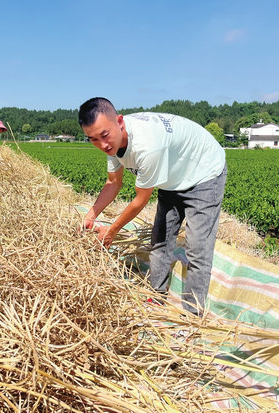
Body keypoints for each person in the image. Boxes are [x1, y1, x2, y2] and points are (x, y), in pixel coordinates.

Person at [78, 97, 227, 315]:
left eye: (104, 135)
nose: (102, 145)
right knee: (160, 241)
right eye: (93, 139)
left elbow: (141, 200)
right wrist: (90, 215)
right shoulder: (113, 142)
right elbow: (113, 183)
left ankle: (192, 315)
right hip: (172, 176)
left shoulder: (148, 147)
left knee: (197, 250)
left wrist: (112, 230)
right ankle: (156, 298)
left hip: (203, 172)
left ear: (119, 122)